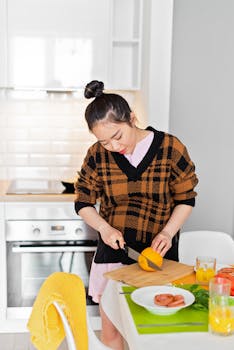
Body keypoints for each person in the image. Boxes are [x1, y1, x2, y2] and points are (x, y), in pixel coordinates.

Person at [74, 80, 198, 350]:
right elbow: (83, 201)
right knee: (112, 335)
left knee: (156, 335)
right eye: (104, 141)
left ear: (132, 119)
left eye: (117, 136)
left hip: (158, 258)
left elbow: (186, 198)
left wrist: (167, 232)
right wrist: (104, 229)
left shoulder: (170, 148)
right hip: (113, 256)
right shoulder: (97, 155)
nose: (112, 147)